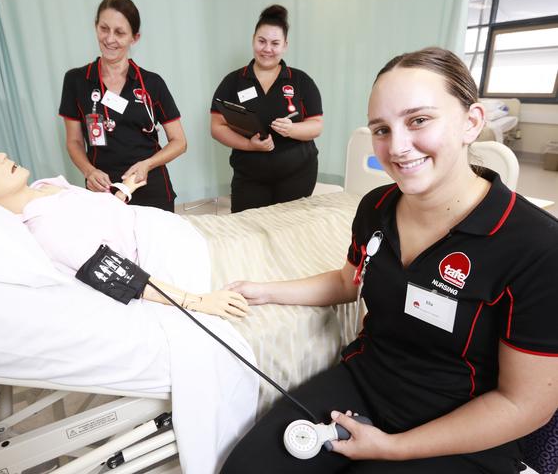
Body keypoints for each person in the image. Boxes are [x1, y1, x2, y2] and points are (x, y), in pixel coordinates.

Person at [219, 47, 558, 473]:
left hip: (463, 428)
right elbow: (349, 281)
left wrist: (391, 448)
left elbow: (525, 405)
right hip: (364, 384)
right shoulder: (376, 206)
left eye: (419, 120)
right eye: (381, 128)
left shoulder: (536, 246)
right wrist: (263, 290)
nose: (396, 147)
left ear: (471, 122)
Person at [0, 141, 248, 320]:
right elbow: (123, 277)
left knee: (245, 236)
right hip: (163, 252)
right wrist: (199, 302)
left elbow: (94, 216)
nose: (1, 156)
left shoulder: (43, 187)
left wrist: (123, 191)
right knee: (249, 255)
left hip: (166, 227)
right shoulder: (46, 231)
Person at [60, 0, 186, 212]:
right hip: (102, 188)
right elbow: (74, 141)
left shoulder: (151, 83)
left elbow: (179, 142)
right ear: (96, 27)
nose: (109, 39)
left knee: (157, 246)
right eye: (104, 28)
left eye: (119, 32)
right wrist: (89, 171)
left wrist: (147, 164)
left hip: (149, 184)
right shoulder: (76, 81)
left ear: (134, 38)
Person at [210, 5, 323, 213]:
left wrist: (292, 129)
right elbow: (217, 126)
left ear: (285, 45)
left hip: (296, 175)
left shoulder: (300, 81)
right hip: (250, 176)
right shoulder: (233, 81)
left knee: (288, 232)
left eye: (275, 43)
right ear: (253, 39)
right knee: (248, 231)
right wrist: (249, 145)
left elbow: (316, 126)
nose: (267, 49)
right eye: (261, 41)